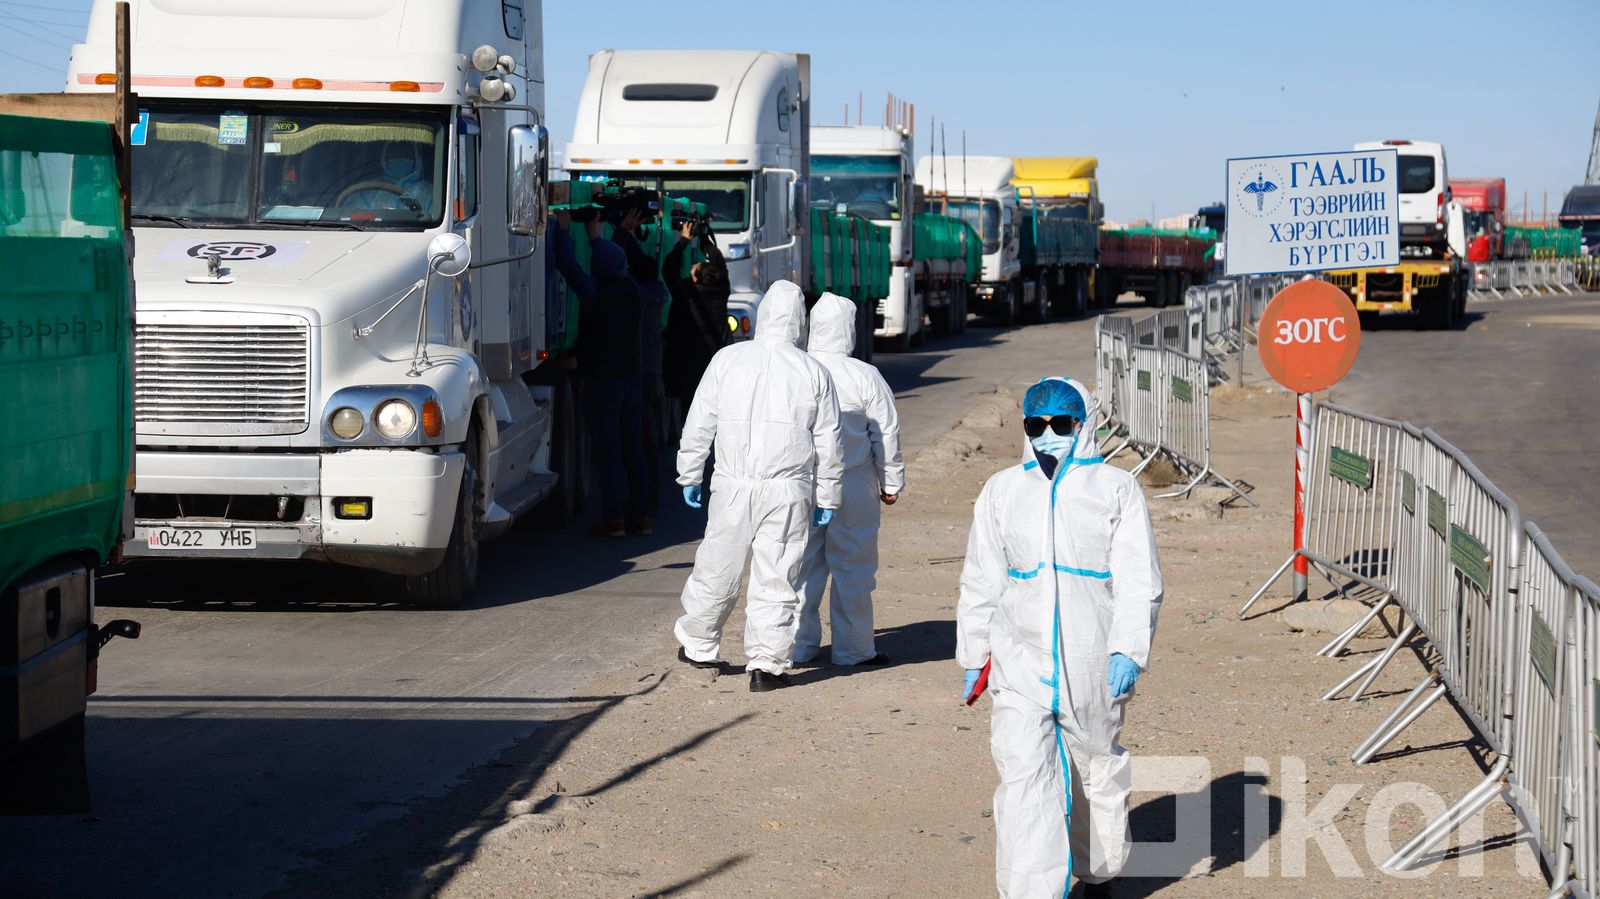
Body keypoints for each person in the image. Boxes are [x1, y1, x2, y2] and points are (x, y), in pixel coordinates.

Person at [956, 377, 1163, 898]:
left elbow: (1140, 580)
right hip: (1019, 658)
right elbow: (982, 575)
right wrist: (974, 650)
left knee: (1093, 766)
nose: (1049, 435)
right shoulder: (1002, 490)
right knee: (1024, 777)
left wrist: (1127, 650)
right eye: (1036, 425)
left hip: (1090, 654)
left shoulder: (1116, 489)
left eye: (1061, 424)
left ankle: (1098, 870)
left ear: (1083, 425)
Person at [674, 280, 845, 692]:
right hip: (788, 490)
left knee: (717, 564)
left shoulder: (727, 360)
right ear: (800, 322)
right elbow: (829, 442)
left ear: (764, 314)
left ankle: (699, 645)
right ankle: (766, 666)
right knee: (777, 574)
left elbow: (700, 422)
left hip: (732, 485)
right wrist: (828, 494)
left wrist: (690, 472)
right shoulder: (813, 371)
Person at [794, 293, 904, 666]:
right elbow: (885, 432)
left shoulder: (798, 369)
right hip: (853, 481)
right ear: (848, 329)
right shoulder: (864, 374)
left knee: (801, 564)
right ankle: (853, 648)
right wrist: (891, 482)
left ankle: (798, 645)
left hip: (804, 481)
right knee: (853, 566)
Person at [550, 211, 651, 537]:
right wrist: (595, 235)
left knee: (608, 452)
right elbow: (612, 261)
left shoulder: (595, 294)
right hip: (632, 382)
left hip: (603, 383)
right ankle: (640, 516)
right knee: (632, 449)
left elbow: (567, 265)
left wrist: (563, 229)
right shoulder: (632, 292)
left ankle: (614, 519)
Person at [611, 204, 665, 515]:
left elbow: (616, 274)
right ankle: (649, 498)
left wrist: (623, 233)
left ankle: (642, 502)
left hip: (639, 377)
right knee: (648, 443)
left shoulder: (634, 299)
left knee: (637, 444)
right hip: (652, 376)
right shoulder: (655, 295)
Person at [662, 220, 730, 410]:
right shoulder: (720, 290)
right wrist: (705, 238)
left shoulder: (686, 294)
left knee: (690, 412)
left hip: (687, 364)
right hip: (714, 361)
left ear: (695, 278)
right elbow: (721, 266)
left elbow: (669, 267)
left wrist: (685, 239)